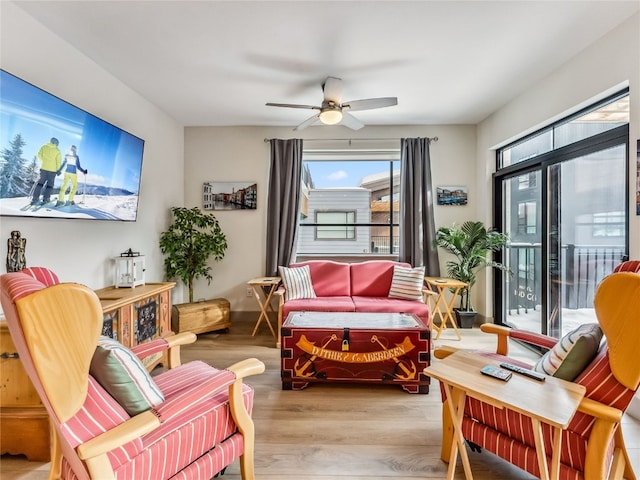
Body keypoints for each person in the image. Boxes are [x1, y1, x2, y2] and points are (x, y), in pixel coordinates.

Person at [31, 137, 62, 205]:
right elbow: (58, 162)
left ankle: (35, 198)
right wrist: (58, 169)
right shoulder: (57, 150)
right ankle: (46, 199)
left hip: (43, 168)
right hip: (52, 170)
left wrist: (44, 160)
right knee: (49, 185)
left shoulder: (44, 146)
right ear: (56, 143)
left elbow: (39, 154)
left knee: (40, 184)